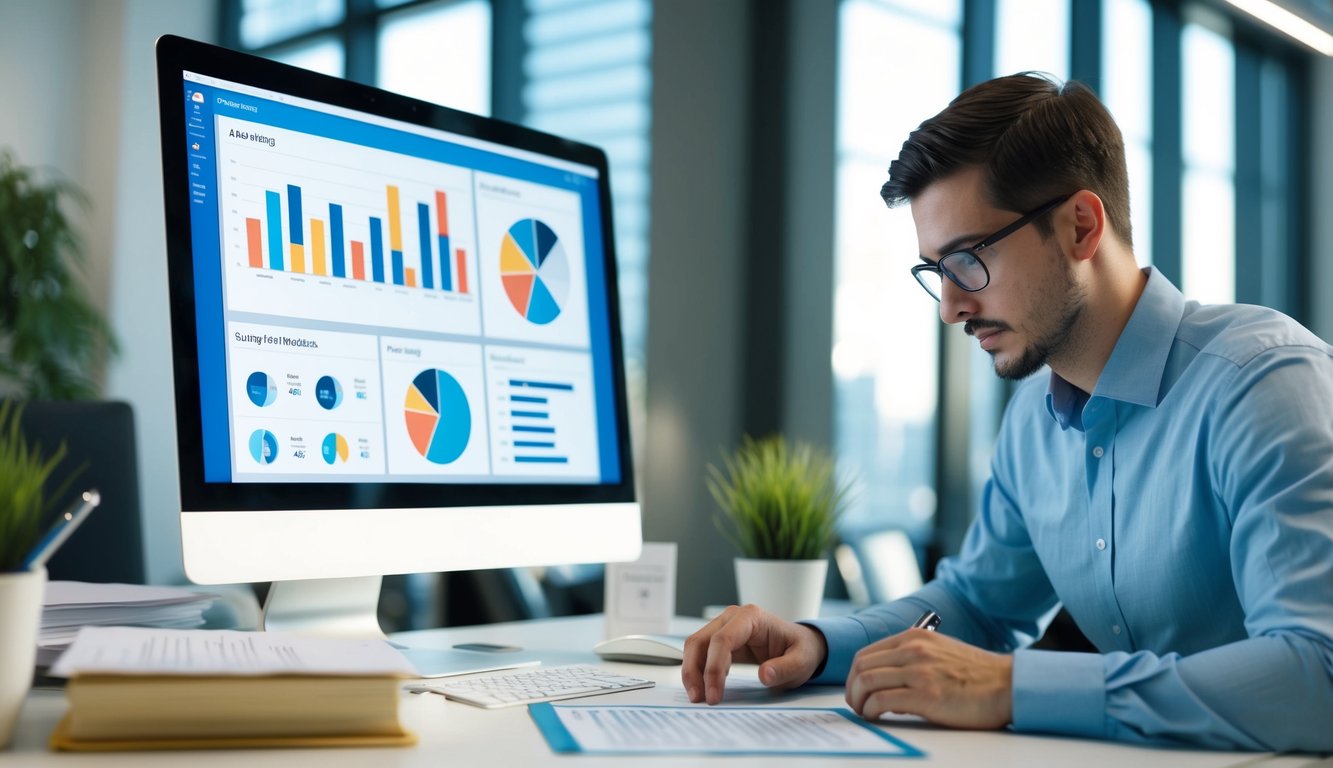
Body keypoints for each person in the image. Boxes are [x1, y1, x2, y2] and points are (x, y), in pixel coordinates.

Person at [681, 72, 1333, 752]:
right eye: (936, 270)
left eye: (967, 259)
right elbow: (980, 607)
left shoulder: (1263, 384)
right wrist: (816, 644)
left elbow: (1318, 672)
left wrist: (1011, 687)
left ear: (1080, 226)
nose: (950, 307)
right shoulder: (1032, 421)